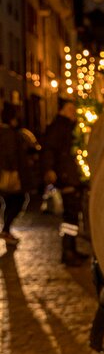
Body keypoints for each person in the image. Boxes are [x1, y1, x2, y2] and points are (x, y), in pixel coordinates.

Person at [41, 97, 87, 266]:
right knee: (70, 215)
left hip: (70, 176)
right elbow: (49, 151)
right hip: (66, 177)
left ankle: (71, 249)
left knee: (73, 215)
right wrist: (52, 171)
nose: (73, 112)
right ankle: (68, 251)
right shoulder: (59, 128)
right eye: (70, 109)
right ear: (62, 110)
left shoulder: (67, 127)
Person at [0, 102, 40, 248]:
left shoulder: (6, 132)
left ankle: (7, 230)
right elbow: (12, 155)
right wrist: (16, 169)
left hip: (7, 175)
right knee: (17, 201)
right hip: (13, 176)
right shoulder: (10, 134)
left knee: (11, 202)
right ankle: (6, 230)